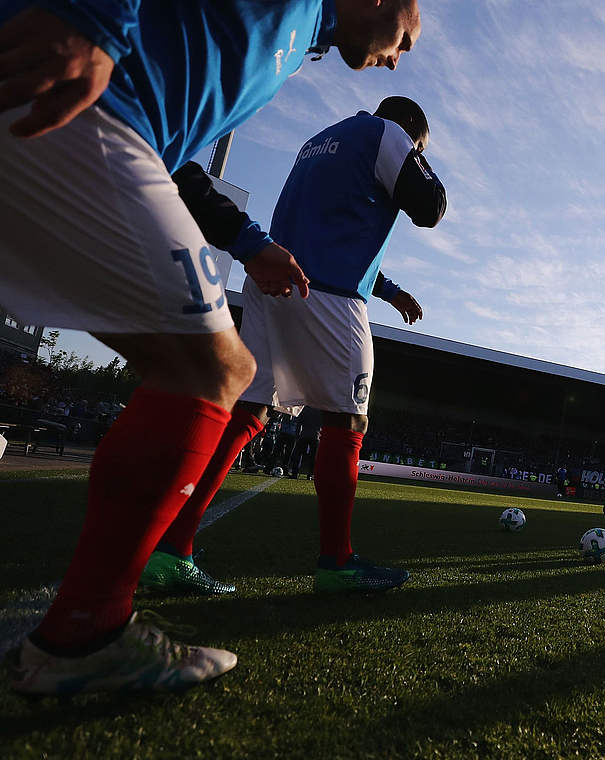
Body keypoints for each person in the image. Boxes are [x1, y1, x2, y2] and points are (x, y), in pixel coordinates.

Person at [0, 0, 422, 695]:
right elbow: (425, 205)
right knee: (213, 369)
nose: (397, 57)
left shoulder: (287, 43)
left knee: (220, 371)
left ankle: (114, 601)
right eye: (405, 39)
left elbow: (178, 164)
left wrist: (251, 243)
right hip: (83, 108)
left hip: (104, 123)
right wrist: (92, 18)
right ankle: (86, 631)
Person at [145, 96, 445, 600]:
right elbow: (430, 208)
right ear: (411, 131)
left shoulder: (317, 142)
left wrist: (392, 293)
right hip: (329, 295)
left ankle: (172, 550)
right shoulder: (390, 136)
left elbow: (331, 229)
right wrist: (418, 155)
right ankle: (338, 562)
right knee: (347, 420)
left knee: (248, 410)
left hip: (273, 283)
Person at [289, 406, 323, 479]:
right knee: (313, 456)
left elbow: (299, 422)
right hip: (315, 435)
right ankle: (310, 474)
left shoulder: (306, 408)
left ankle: (295, 473)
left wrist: (297, 434)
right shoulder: (320, 410)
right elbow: (322, 423)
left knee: (298, 454)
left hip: (304, 434)